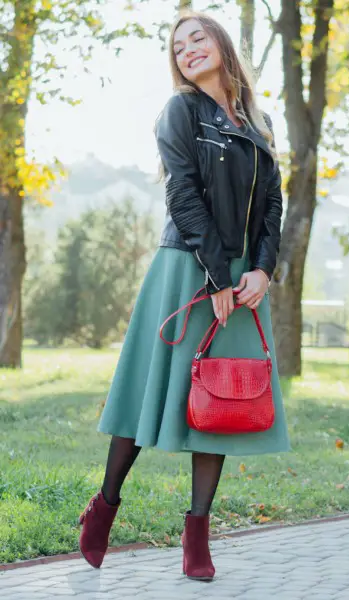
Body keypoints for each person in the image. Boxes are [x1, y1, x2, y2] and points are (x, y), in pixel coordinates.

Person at [78, 10, 290, 582]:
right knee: (150, 391)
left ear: (221, 43)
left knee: (220, 402)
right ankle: (104, 506)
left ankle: (197, 534)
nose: (188, 49)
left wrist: (262, 270)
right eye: (178, 46)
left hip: (245, 281)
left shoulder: (259, 120)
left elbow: (272, 206)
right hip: (186, 266)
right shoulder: (179, 111)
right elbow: (184, 197)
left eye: (198, 38)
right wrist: (217, 276)